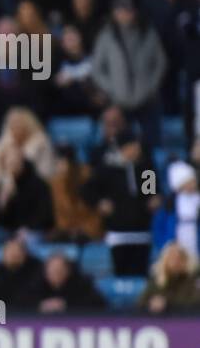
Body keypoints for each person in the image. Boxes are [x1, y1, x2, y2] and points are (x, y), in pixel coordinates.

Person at [91, 0, 167, 148]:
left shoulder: (147, 32)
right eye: (121, 10)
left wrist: (151, 86)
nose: (125, 14)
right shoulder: (106, 36)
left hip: (147, 100)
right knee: (119, 146)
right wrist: (112, 88)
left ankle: (150, 173)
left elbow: (160, 62)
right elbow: (97, 69)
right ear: (114, 13)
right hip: (119, 101)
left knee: (152, 145)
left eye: (128, 10)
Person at [81, 128, 158, 276]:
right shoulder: (106, 168)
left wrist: (154, 200)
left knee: (141, 273)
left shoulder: (146, 167)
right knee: (120, 273)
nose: (136, 150)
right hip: (118, 230)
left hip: (142, 230)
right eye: (132, 146)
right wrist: (99, 203)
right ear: (123, 148)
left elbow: (151, 193)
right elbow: (87, 190)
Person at [0, 146, 55, 234]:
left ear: (22, 161)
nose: (13, 165)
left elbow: (46, 217)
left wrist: (28, 228)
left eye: (16, 161)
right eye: (10, 163)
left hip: (33, 232)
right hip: (7, 233)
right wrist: (4, 197)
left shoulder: (39, 184)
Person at [0, 236, 44, 310]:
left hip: (31, 316)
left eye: (17, 250)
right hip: (3, 317)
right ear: (3, 254)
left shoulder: (37, 270)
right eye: (10, 251)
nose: (14, 254)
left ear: (24, 253)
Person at [34, 253, 107, 313]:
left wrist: (66, 305)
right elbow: (25, 302)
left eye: (59, 271)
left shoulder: (81, 285)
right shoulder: (37, 285)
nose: (55, 275)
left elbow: (98, 304)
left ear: (67, 271)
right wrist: (41, 305)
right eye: (51, 272)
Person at [139, 243, 200, 314]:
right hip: (160, 322)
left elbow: (195, 301)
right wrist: (150, 303)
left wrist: (166, 302)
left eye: (179, 258)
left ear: (185, 261)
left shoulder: (193, 279)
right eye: (171, 258)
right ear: (164, 260)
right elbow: (140, 303)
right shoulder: (156, 279)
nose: (175, 262)